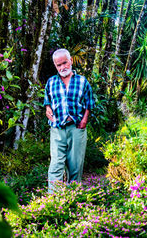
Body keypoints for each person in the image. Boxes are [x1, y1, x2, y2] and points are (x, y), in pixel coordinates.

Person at [43, 48, 95, 193]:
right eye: (58, 65)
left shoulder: (82, 81)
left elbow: (89, 103)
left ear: (71, 61)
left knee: (75, 165)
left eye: (64, 63)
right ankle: (54, 200)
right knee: (56, 164)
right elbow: (47, 100)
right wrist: (48, 108)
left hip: (76, 127)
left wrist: (84, 120)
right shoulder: (51, 82)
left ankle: (73, 198)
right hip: (57, 127)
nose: (62, 67)